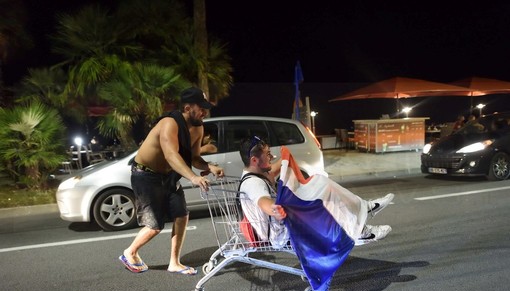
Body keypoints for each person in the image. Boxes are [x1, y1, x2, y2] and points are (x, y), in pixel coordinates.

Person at [119, 87, 224, 275]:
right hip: (146, 174)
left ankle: (174, 263)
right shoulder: (169, 123)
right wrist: (193, 177)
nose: (205, 112)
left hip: (169, 176)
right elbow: (170, 155)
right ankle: (130, 252)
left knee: (181, 215)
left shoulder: (198, 128)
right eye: (201, 108)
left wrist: (209, 167)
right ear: (187, 107)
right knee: (155, 225)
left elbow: (194, 157)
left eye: (206, 108)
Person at [238, 136, 393, 248]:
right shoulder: (253, 184)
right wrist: (275, 209)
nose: (272, 157)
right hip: (280, 234)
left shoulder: (258, 172)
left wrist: (287, 157)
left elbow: (275, 170)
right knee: (321, 196)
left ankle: (363, 208)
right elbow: (263, 202)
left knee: (320, 183)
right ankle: (359, 231)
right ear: (254, 160)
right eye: (268, 154)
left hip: (283, 224)